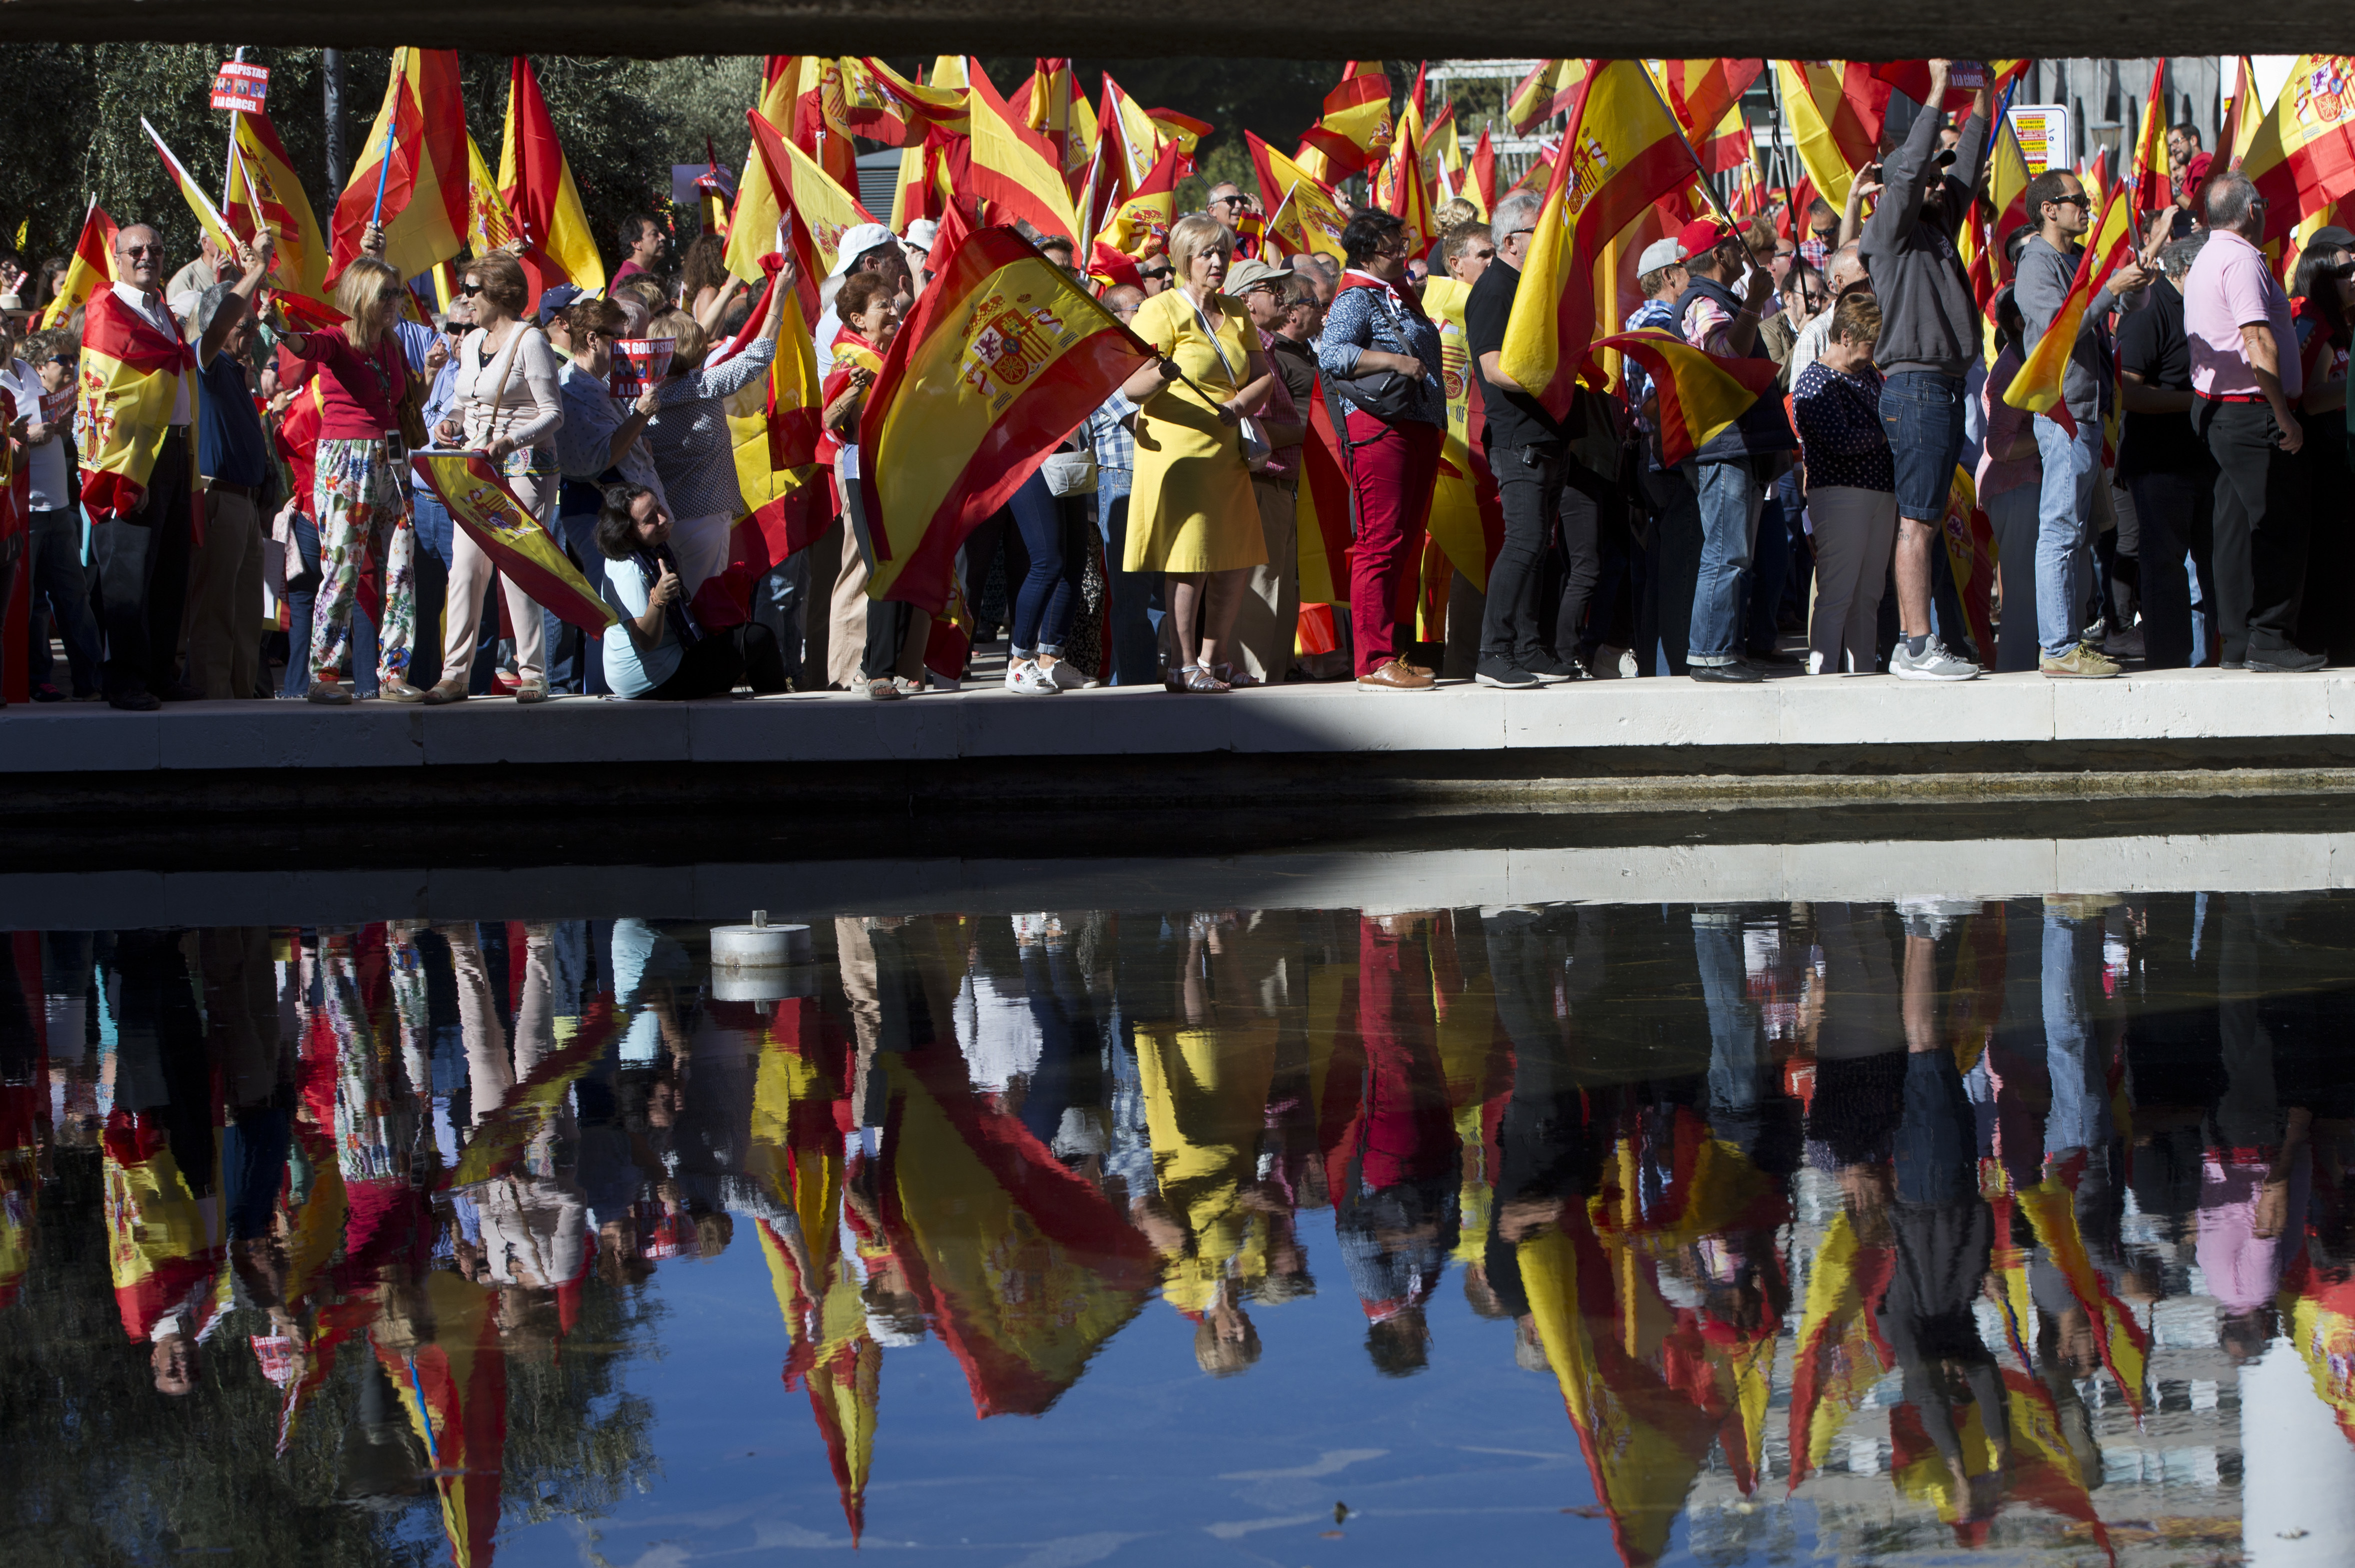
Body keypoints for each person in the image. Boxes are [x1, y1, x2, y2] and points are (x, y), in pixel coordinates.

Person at [80, 222, 269, 709]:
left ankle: (161, 673)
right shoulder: (109, 311)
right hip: (133, 460)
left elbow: (219, 325)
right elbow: (103, 400)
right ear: (118, 258)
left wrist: (256, 274)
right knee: (128, 577)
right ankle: (123, 680)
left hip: (174, 454)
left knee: (169, 571)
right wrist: (124, 475)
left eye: (157, 249)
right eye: (137, 250)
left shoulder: (161, 313)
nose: (148, 256)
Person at [1862, 59, 1990, 681]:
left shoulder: (1938, 225)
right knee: (1916, 519)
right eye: (1927, 180)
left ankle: (1932, 638)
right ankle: (1916, 646)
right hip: (1914, 388)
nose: (1940, 185)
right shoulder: (1890, 231)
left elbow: (1963, 165)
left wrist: (1985, 95)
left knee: (1930, 519)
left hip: (1941, 386)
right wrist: (1938, 90)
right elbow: (1913, 170)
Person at [1118, 213, 1275, 692]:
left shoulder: (1235, 309)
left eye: (1223, 252)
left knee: (1235, 557)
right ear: (1186, 258)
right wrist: (1161, 373)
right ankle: (1184, 666)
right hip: (1178, 452)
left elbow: (1264, 374)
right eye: (1207, 253)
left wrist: (1240, 404)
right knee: (1191, 559)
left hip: (1226, 450)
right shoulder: (1159, 309)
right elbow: (1130, 387)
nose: (1217, 261)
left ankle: (1216, 657)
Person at [273, 255, 424, 704]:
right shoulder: (337, 339)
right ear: (362, 298)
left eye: (397, 292)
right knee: (342, 566)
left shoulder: (391, 342)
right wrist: (280, 330)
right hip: (348, 460)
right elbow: (305, 347)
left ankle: (393, 672)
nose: (396, 301)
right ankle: (323, 673)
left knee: (401, 566)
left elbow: (400, 400)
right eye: (387, 294)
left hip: (393, 459)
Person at [2018, 166, 2150, 678]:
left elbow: (2108, 312)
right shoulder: (2036, 262)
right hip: (2064, 412)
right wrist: (2110, 286)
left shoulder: (2071, 258)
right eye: (2077, 201)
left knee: (2074, 531)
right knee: (2059, 529)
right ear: (2049, 209)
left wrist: (2131, 285)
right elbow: (2062, 330)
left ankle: (2067, 642)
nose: (2086, 209)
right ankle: (2057, 648)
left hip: (2086, 411)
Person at [2186, 171, 2318, 672]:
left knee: (2235, 530)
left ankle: (2240, 640)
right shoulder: (2241, 259)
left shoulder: (2204, 257)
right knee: (2278, 524)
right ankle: (2270, 638)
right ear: (2250, 212)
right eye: (2261, 203)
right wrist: (2283, 414)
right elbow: (2257, 339)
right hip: (2248, 412)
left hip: (2220, 412)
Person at [425, 251, 564, 704]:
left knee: (515, 567)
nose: (464, 302)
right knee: (464, 567)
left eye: (471, 291)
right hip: (477, 465)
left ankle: (533, 674)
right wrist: (450, 420)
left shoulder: (531, 342)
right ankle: (454, 675)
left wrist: (509, 440)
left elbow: (553, 415)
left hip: (524, 467)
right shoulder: (470, 344)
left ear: (500, 293)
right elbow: (464, 403)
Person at [1468, 188, 1592, 688]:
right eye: (1541, 231)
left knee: (1539, 545)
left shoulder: (1529, 288)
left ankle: (1526, 647)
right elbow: (1494, 368)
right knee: (1521, 543)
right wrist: (1554, 377)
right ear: (1514, 240)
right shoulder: (1494, 289)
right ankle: (1492, 653)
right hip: (1519, 436)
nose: (1549, 241)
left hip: (1548, 433)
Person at [1320, 207, 1446, 691]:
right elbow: (1331, 353)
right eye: (1395, 244)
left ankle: (1392, 652)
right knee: (1381, 542)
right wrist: (1395, 360)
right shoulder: (1357, 295)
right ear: (1370, 251)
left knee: (1404, 540)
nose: (1405, 251)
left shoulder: (1393, 293)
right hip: (1380, 431)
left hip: (1412, 428)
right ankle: (1373, 659)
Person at [1674, 215, 1793, 684]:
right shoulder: (1704, 301)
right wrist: (1754, 304)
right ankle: (1709, 653)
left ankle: (1724, 647)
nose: (1745, 254)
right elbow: (1724, 354)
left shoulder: (1717, 296)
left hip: (1738, 441)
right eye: (1735, 247)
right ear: (1719, 256)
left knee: (1734, 553)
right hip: (1725, 442)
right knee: (1725, 552)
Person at [643, 258, 790, 593]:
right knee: (706, 605)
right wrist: (778, 295)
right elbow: (761, 354)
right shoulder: (704, 386)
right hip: (706, 520)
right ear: (696, 349)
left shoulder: (639, 403)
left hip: (660, 519)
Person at [822, 270, 929, 701]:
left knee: (900, 565)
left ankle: (896, 666)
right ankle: (865, 670)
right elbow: (830, 421)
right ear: (857, 319)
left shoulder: (894, 355)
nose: (892, 309)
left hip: (902, 474)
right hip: (864, 474)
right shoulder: (851, 360)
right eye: (881, 305)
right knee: (875, 567)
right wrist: (854, 390)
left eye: (892, 301)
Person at [551, 294, 664, 696]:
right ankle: (602, 691)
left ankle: (616, 687)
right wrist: (640, 416)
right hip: (594, 511)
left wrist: (638, 436)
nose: (625, 344)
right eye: (618, 337)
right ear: (594, 339)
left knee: (626, 603)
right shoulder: (572, 387)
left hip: (614, 509)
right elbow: (598, 459)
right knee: (611, 609)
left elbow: (623, 445)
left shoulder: (601, 383)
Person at [2116, 235, 2216, 670]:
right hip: (2160, 465)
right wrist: (2196, 401)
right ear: (2183, 270)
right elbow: (2131, 392)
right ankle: (2170, 666)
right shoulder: (2150, 309)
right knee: (2166, 569)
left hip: (2205, 460)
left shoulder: (2206, 308)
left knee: (2216, 565)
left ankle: (2220, 656)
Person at [593, 481, 788, 699]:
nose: (663, 518)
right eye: (650, 519)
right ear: (628, 533)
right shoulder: (630, 571)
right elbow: (646, 641)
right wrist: (658, 599)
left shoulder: (649, 550)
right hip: (652, 679)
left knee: (732, 638)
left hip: (665, 662)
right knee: (761, 638)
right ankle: (782, 722)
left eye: (659, 508)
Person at [1792, 293, 1898, 676]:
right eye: (1871, 343)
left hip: (1879, 493)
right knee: (1837, 593)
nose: (1875, 352)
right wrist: (1886, 435)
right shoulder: (1814, 381)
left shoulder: (1869, 375)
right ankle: (1823, 675)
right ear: (1847, 337)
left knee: (1869, 594)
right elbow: (1841, 440)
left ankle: (1863, 674)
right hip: (1839, 495)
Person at [184, 283, 271, 701]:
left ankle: (241, 694)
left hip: (247, 506)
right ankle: (212, 696)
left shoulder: (237, 372)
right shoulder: (209, 363)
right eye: (245, 324)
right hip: (221, 501)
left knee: (248, 612)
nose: (252, 331)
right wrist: (254, 271)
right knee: (216, 608)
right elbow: (218, 326)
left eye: (255, 322)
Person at [1224, 258, 1308, 684]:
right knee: (1260, 591)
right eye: (1270, 288)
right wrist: (1303, 432)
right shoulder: (1244, 350)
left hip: (1277, 487)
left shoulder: (1267, 349)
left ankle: (1271, 680)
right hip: (1259, 483)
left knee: (1280, 592)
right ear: (1245, 301)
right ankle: (1254, 685)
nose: (1282, 296)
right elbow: (1249, 427)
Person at [10, 329, 98, 700]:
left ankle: (91, 681)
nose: (70, 367)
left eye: (72, 360)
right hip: (26, 512)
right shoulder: (7, 382)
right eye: (61, 360)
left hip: (58, 508)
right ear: (40, 364)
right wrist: (27, 436)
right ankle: (38, 679)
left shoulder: (25, 375)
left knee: (73, 597)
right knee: (31, 605)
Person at [1082, 284, 1160, 687]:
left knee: (1161, 590)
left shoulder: (1144, 361)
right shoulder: (1106, 365)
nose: (1148, 313)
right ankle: (1134, 685)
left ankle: (1152, 674)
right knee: (1131, 594)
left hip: (1157, 478)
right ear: (1116, 318)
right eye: (1139, 308)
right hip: (1123, 481)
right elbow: (1143, 421)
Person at [2289, 228, 2354, 663]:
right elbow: (2308, 399)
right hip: (2326, 467)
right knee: (2333, 563)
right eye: (2347, 270)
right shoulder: (2314, 326)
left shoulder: (2346, 326)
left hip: (2344, 459)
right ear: (2321, 278)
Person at [1980, 287, 2048, 672]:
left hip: (2023, 488)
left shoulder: (2025, 359)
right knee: (2022, 592)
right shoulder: (2009, 369)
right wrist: (2050, 434)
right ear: (2021, 323)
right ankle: (2017, 673)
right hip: (2014, 488)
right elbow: (2000, 444)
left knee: (2029, 589)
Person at [612, 213, 666, 286]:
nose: (663, 237)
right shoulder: (627, 280)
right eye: (654, 234)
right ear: (636, 244)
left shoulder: (640, 278)